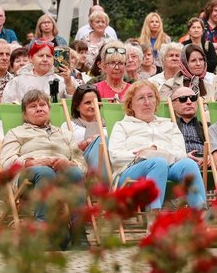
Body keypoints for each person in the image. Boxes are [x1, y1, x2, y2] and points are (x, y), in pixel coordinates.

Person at [109, 81, 206, 216]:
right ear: (130, 104)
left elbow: (181, 154)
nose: (147, 102)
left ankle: (201, 214)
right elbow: (115, 156)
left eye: (151, 97)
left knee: (188, 164)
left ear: (156, 101)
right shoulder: (122, 126)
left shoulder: (169, 125)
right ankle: (153, 218)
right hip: (130, 171)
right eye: (141, 98)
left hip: (168, 166)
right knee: (158, 162)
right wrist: (144, 157)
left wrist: (154, 151)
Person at [0, 89, 86, 228]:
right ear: (24, 114)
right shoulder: (15, 133)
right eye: (33, 106)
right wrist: (33, 162)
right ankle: (44, 230)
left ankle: (78, 232)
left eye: (42, 105)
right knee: (45, 173)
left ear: (49, 109)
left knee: (75, 173)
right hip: (28, 177)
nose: (39, 109)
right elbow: (6, 162)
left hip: (62, 174)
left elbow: (81, 163)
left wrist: (68, 163)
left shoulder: (65, 134)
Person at [4, 40, 76, 103]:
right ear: (31, 58)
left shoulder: (63, 78)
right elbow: (8, 105)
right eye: (41, 56)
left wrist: (68, 82)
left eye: (48, 56)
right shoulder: (18, 81)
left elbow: (72, 104)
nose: (45, 59)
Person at [67, 83, 106, 173]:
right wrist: (84, 144)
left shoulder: (108, 125)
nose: (93, 106)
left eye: (95, 102)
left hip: (107, 161)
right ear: (77, 106)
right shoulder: (69, 125)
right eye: (87, 103)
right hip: (81, 164)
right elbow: (66, 151)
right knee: (100, 140)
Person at [170, 86, 205, 168]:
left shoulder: (206, 127)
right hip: (181, 164)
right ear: (173, 104)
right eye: (183, 99)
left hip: (206, 163)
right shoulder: (167, 127)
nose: (189, 102)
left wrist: (210, 157)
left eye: (193, 98)